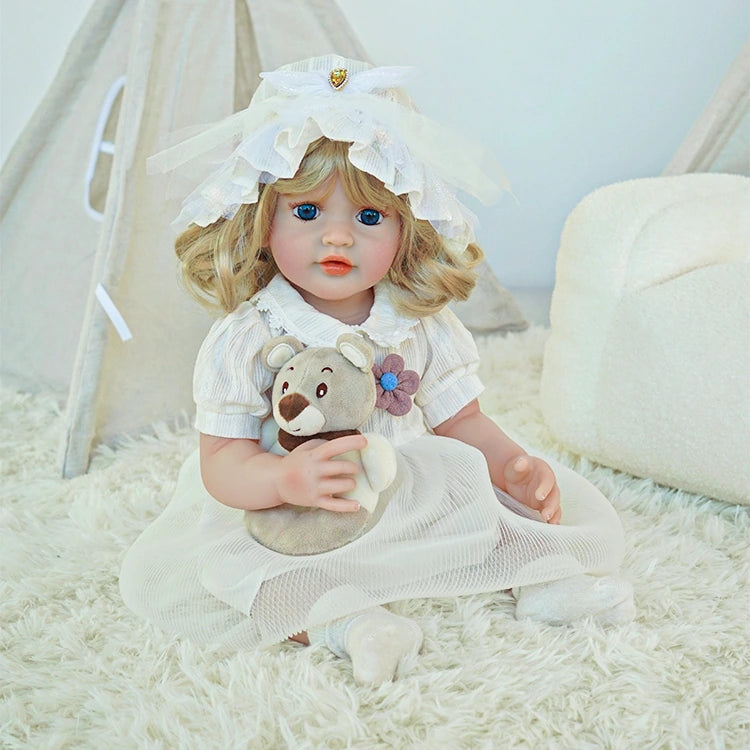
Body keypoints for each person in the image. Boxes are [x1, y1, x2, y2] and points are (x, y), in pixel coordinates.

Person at [120, 55, 634, 686]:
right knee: (231, 570)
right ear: (263, 221)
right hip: (295, 517)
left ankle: (542, 581)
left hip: (401, 494)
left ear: (404, 229)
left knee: (480, 500)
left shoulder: (415, 323)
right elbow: (223, 463)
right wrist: (283, 479)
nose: (337, 240)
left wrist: (512, 468)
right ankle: (351, 625)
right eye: (308, 213)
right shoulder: (249, 338)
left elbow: (463, 421)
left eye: (367, 218)